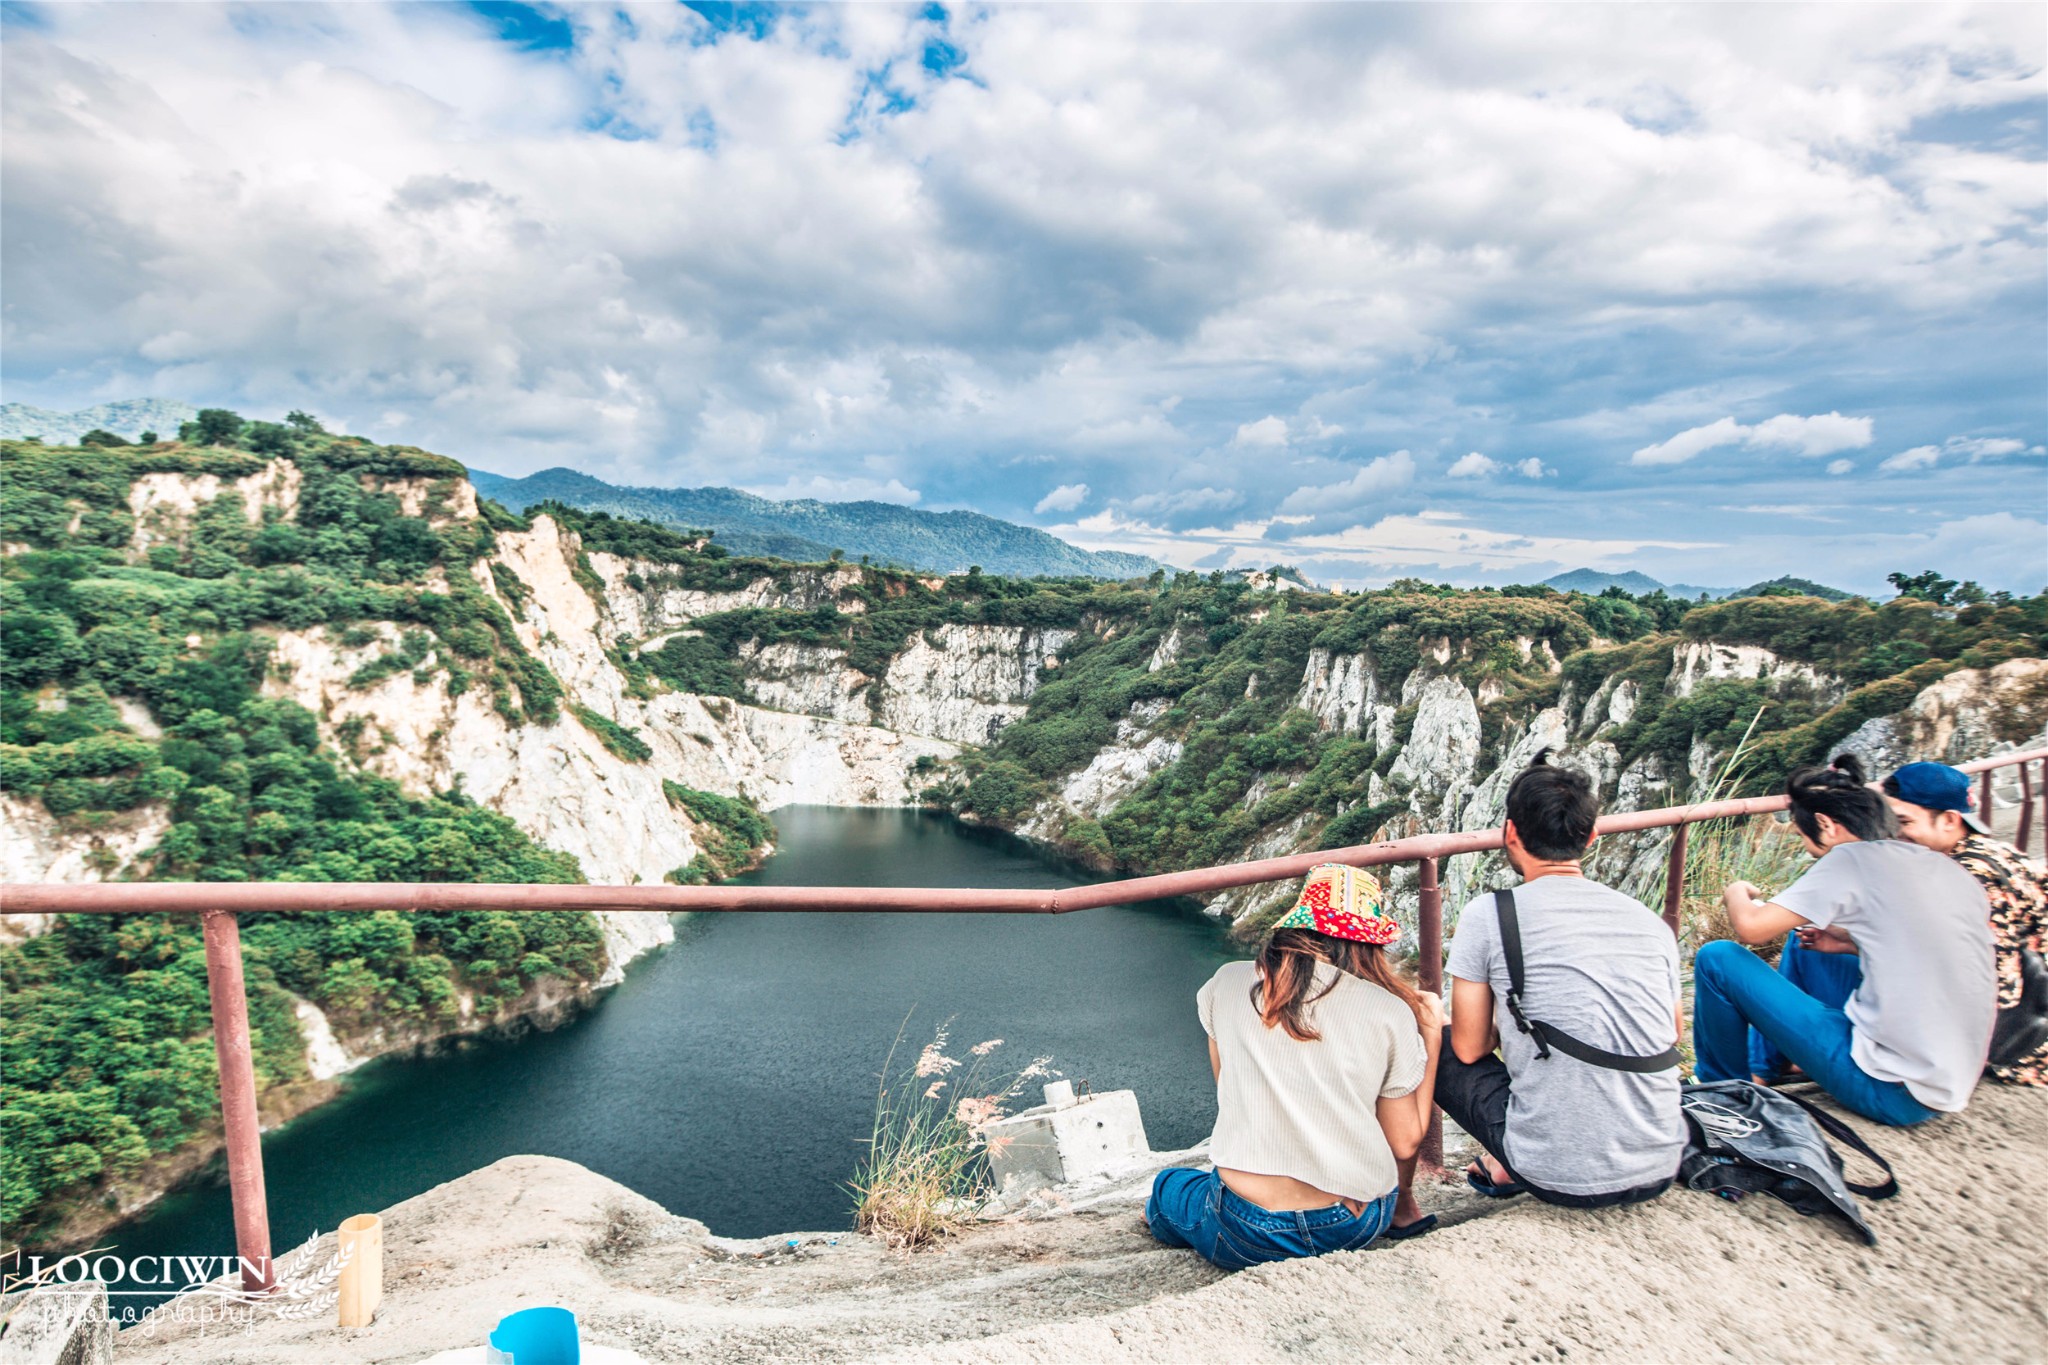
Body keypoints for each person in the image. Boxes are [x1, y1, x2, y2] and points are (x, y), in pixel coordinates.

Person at [1418, 751, 1685, 1211]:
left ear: (1510, 833)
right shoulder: (1649, 922)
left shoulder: (1491, 915)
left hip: (1557, 1175)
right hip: (1662, 1159)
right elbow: (1672, 1032)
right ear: (1593, 835)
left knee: (1431, 1037)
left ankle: (1506, 1161)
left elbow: (1468, 1049)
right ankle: (1516, 1154)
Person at [1145, 863, 1442, 1269]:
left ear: (1295, 925)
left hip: (1241, 1229)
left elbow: (1229, 1092)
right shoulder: (1388, 1012)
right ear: (1369, 944)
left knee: (1169, 1187)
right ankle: (1393, 1210)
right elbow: (1404, 1143)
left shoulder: (1226, 983)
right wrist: (1432, 1036)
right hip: (1348, 1224)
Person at [1694, 755, 1995, 1125]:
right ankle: (1765, 1068)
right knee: (1807, 939)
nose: (1806, 847)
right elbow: (1924, 953)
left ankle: (1723, 1095)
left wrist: (1735, 891)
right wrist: (1848, 943)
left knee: (1718, 959)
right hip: (1949, 1078)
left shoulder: (1851, 859)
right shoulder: (1951, 872)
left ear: (1824, 824)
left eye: (1804, 837)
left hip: (1893, 1091)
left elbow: (1752, 928)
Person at [1882, 761, 2047, 1088]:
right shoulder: (1987, 852)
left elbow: (1996, 985)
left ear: (1949, 820)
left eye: (1904, 822)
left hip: (2024, 1049)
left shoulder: (1971, 879)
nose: (1894, 834)